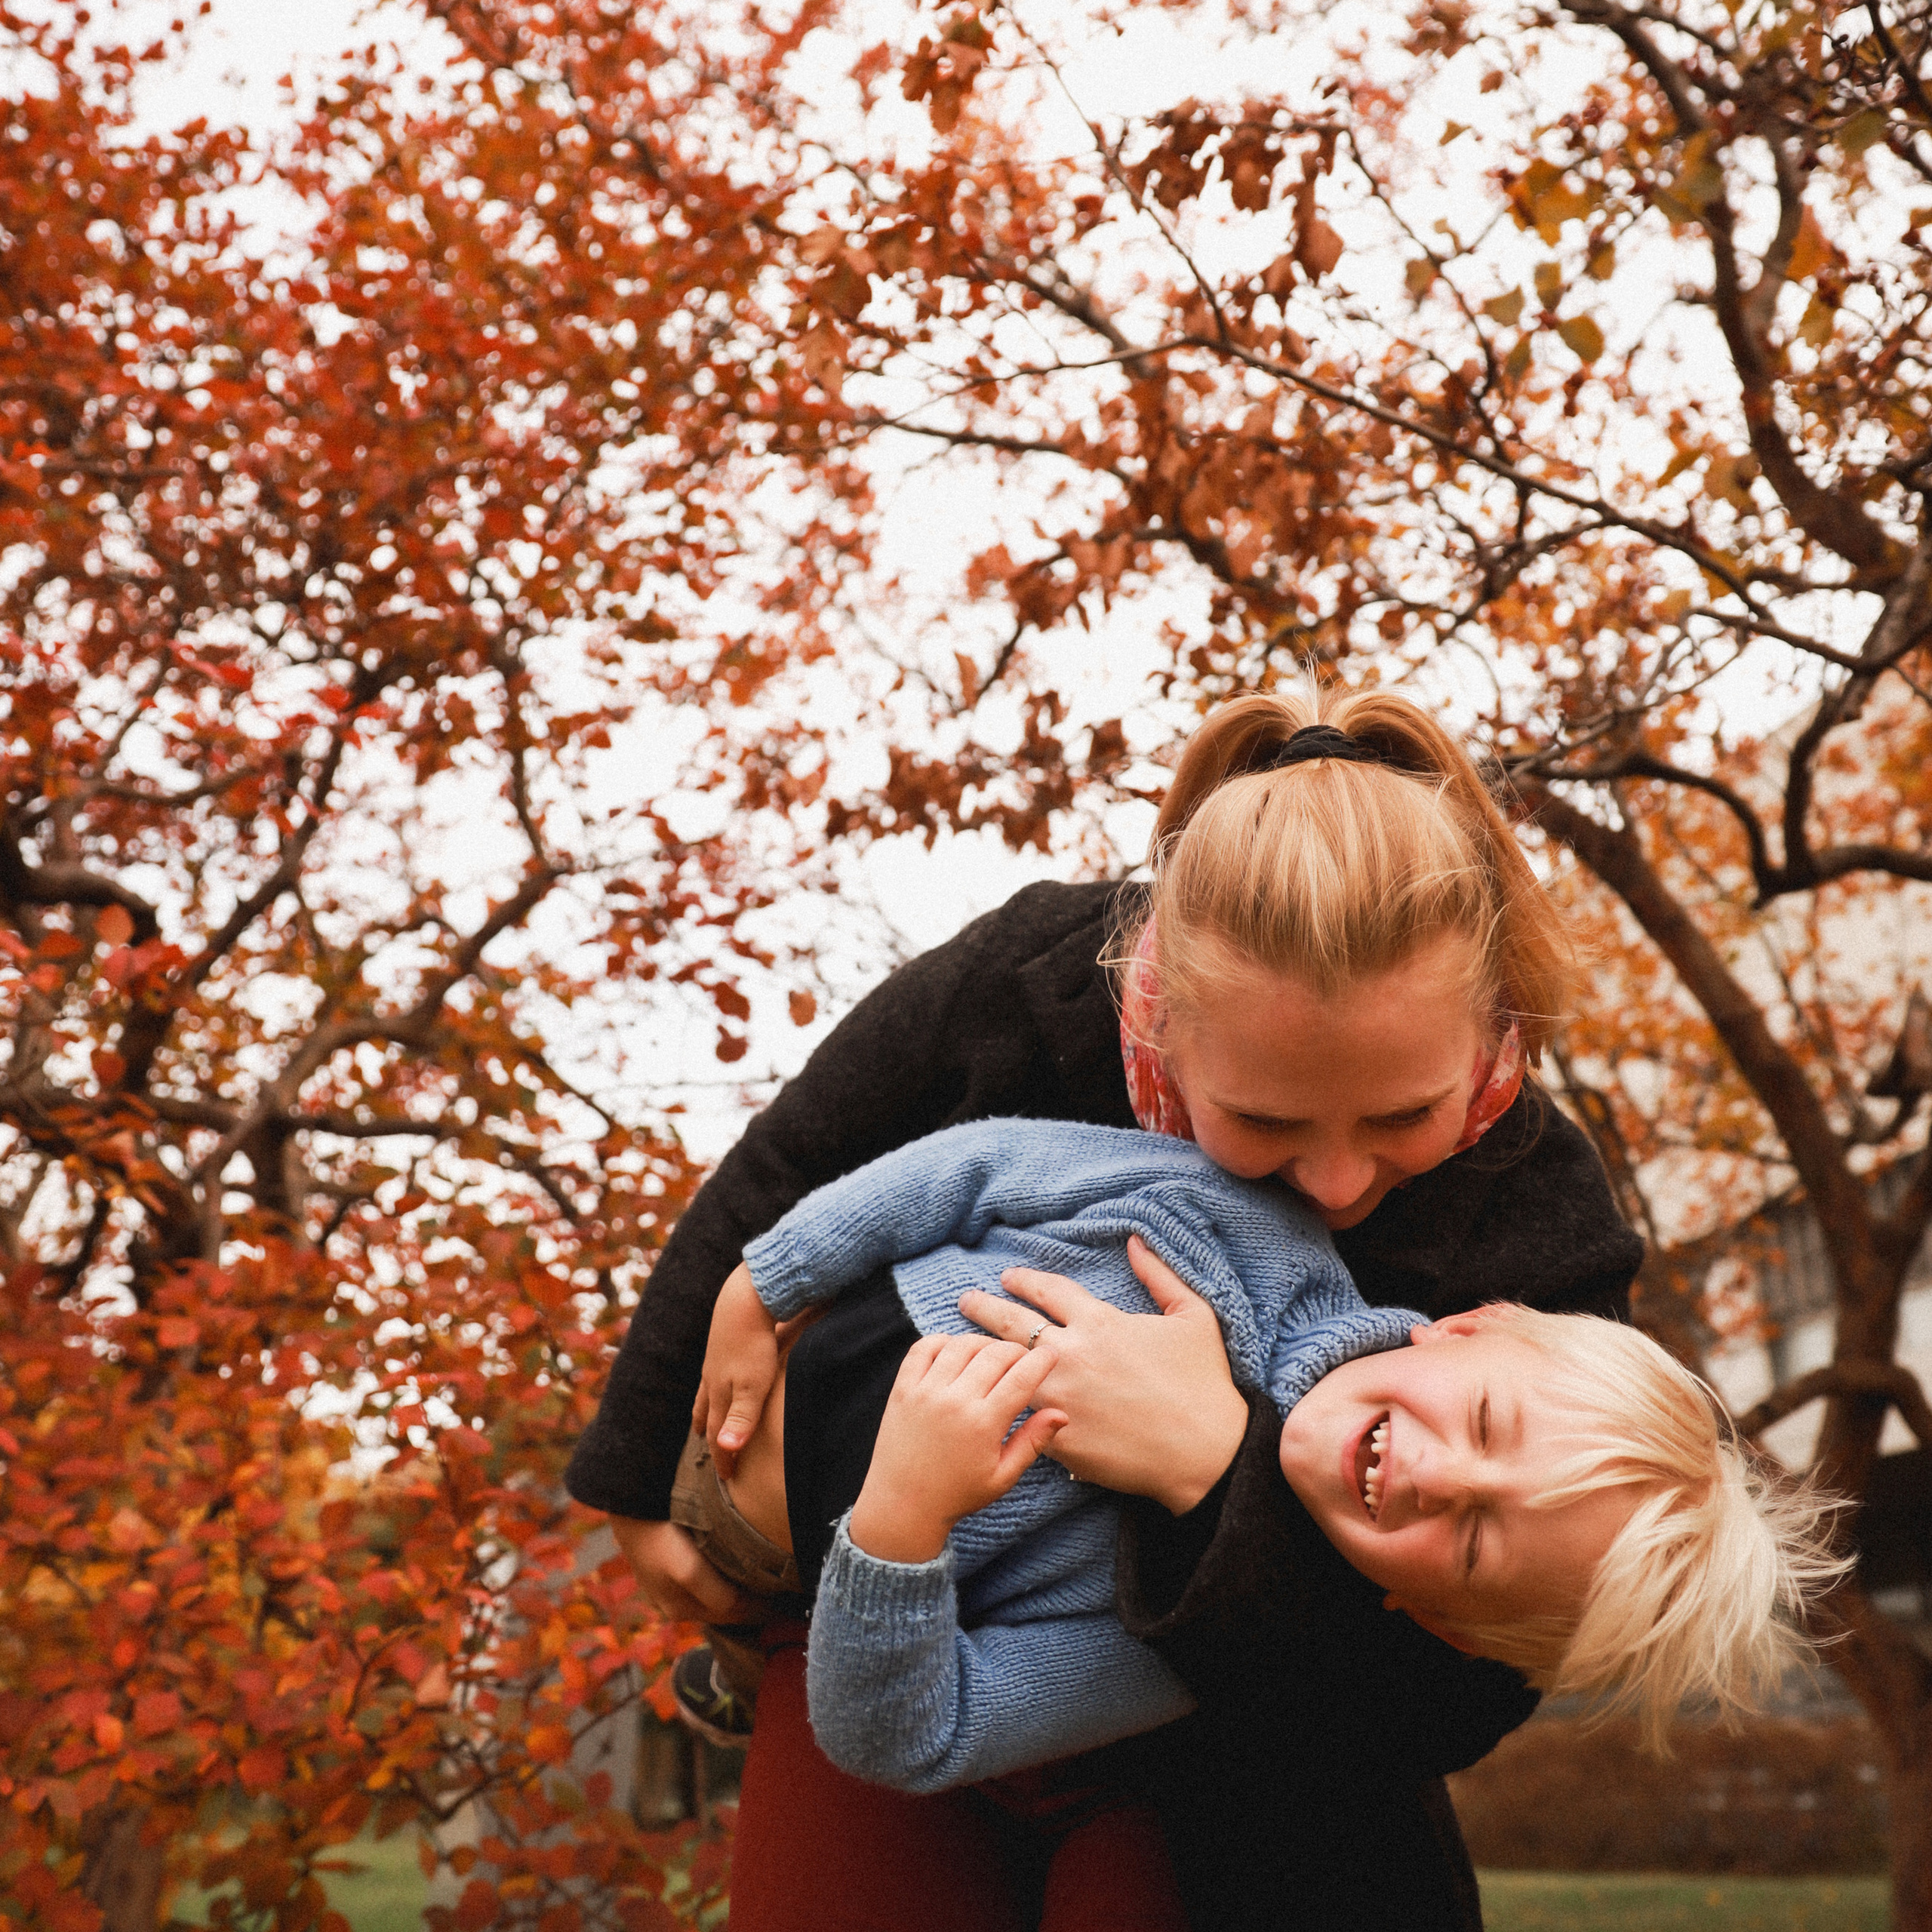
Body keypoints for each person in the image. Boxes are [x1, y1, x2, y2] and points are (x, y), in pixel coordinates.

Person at [565, 683, 1651, 1931]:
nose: (1340, 1180)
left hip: (1253, 1749)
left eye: (1405, 1117)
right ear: (1163, 1015)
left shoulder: (1541, 1226)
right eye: (1266, 1123)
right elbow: (793, 1161)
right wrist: (640, 1476)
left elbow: (1470, 1674)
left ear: (1488, 1026)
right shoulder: (1031, 986)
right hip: (911, 1597)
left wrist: (1215, 1467)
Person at [678, 1115, 1830, 1810]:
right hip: (741, 1366)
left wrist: (903, 1517)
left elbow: (910, 1733)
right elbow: (981, 1168)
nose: (1442, 1476)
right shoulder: (1240, 1224)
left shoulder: (1172, 1639)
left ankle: (733, 1665)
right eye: (1484, 1423)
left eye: (1476, 1542)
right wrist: (770, 1273)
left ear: (1432, 1621)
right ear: (1469, 1326)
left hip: (759, 1548)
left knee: (737, 1634)